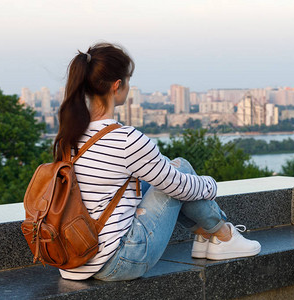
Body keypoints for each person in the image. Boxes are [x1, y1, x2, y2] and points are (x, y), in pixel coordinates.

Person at [53, 42, 261, 281]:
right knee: (179, 168)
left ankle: (208, 236)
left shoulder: (69, 136)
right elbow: (178, 186)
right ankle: (223, 234)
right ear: (117, 86)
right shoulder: (126, 139)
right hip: (118, 261)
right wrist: (212, 185)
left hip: (73, 259)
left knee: (161, 176)